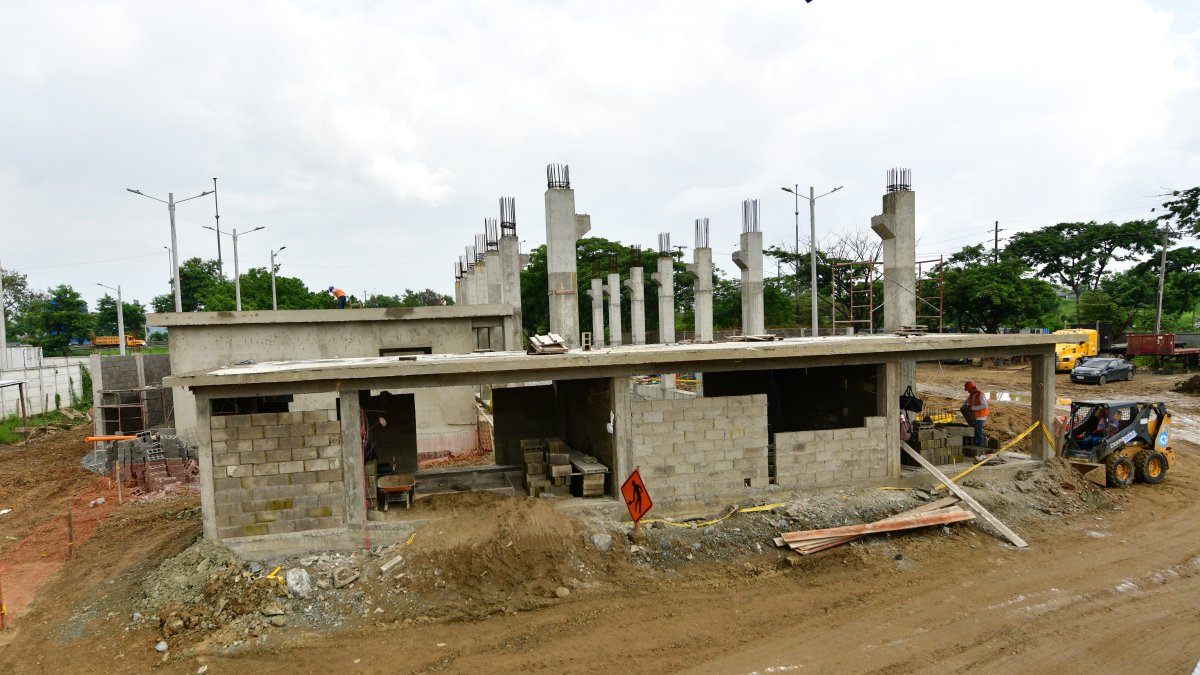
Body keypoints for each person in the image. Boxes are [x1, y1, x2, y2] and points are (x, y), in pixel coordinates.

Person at [963, 381, 989, 448]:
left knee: (979, 430)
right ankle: (977, 444)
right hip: (975, 415)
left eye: (968, 390)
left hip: (981, 416)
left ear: (972, 389)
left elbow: (984, 405)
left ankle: (981, 446)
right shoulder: (972, 394)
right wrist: (963, 406)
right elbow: (967, 401)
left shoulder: (980, 394)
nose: (968, 392)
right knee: (975, 430)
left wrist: (973, 408)